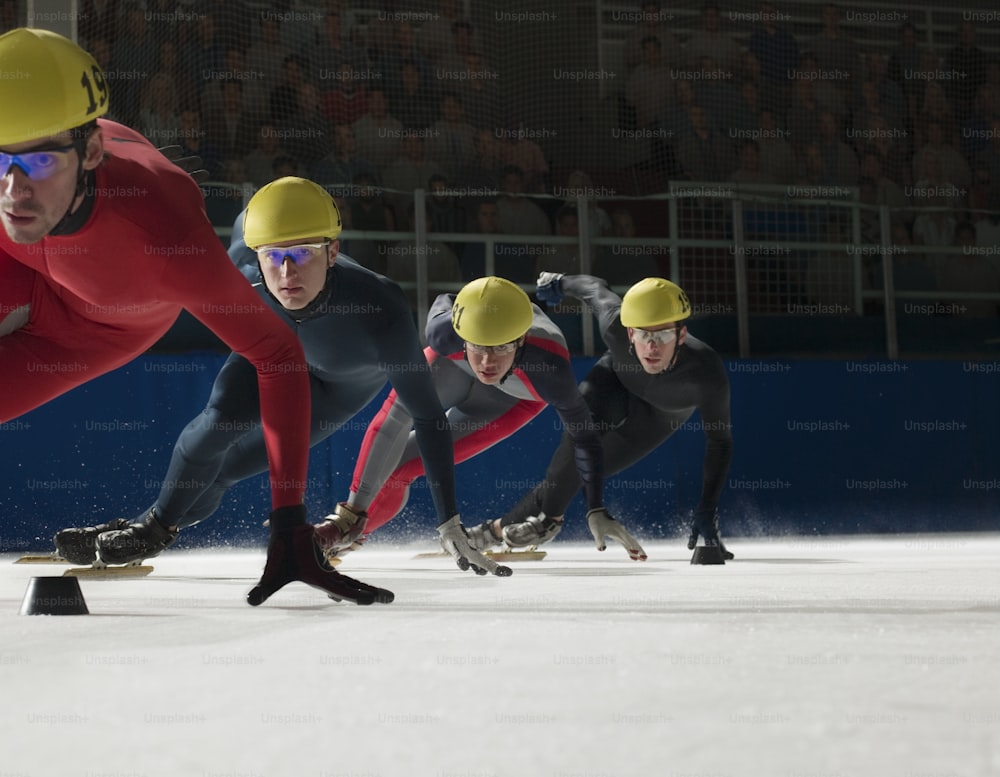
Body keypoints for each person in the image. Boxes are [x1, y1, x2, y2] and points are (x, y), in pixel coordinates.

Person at [0, 28, 348, 605]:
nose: (14, 189)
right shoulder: (19, 188)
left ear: (89, 153)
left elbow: (279, 355)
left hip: (100, 329)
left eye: (38, 160)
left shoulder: (163, 237)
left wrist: (289, 522)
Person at [55, 177, 500, 587]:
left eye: (304, 253)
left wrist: (448, 519)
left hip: (335, 393)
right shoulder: (241, 272)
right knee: (217, 425)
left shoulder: (378, 306)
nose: (288, 274)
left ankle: (148, 526)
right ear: (257, 253)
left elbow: (426, 415)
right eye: (275, 256)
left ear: (332, 251)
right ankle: (149, 529)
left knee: (227, 470)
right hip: (271, 357)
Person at [343, 276, 643, 563]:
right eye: (479, 347)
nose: (487, 363)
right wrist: (348, 516)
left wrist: (595, 508)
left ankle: (353, 536)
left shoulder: (549, 367)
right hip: (455, 369)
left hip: (512, 399)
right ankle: (344, 531)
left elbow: (585, 439)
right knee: (390, 448)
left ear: (522, 339)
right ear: (462, 335)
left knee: (403, 466)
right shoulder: (443, 332)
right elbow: (393, 420)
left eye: (501, 347)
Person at [487, 274, 735, 560]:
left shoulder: (706, 373)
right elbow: (593, 288)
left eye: (663, 335)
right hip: (613, 384)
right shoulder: (614, 325)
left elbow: (720, 443)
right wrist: (558, 282)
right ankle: (547, 519)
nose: (652, 347)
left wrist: (707, 509)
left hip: (659, 417)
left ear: (681, 335)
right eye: (643, 335)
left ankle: (494, 531)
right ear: (629, 333)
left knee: (586, 470)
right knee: (577, 444)